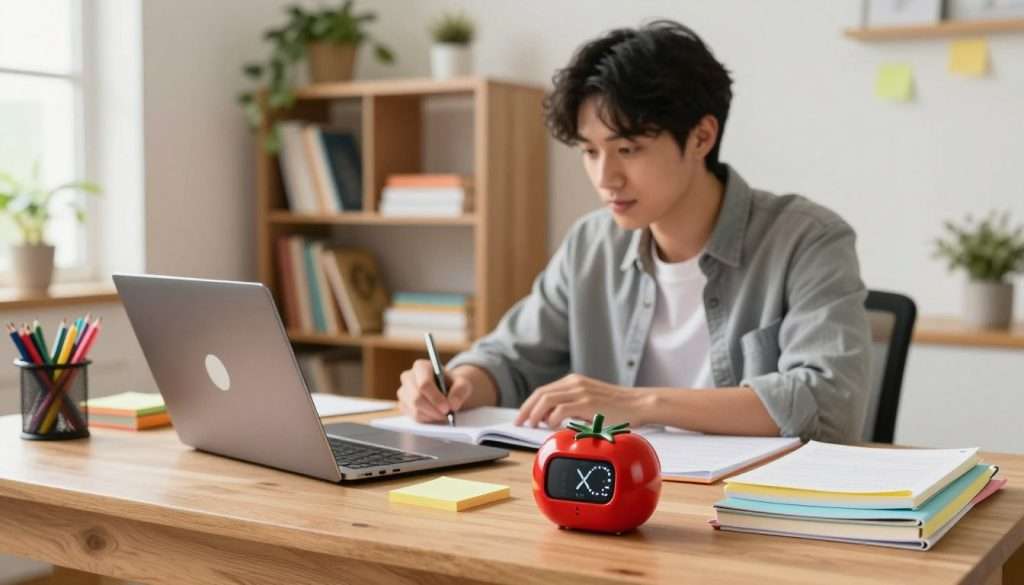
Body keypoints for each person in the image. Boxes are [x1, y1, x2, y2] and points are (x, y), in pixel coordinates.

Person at [396, 20, 871, 443]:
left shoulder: (808, 240)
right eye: (590, 152)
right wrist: (456, 383)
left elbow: (828, 402)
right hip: (612, 494)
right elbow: (511, 358)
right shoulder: (591, 244)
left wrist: (639, 404)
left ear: (702, 137)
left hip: (750, 501)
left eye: (627, 150)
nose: (605, 178)